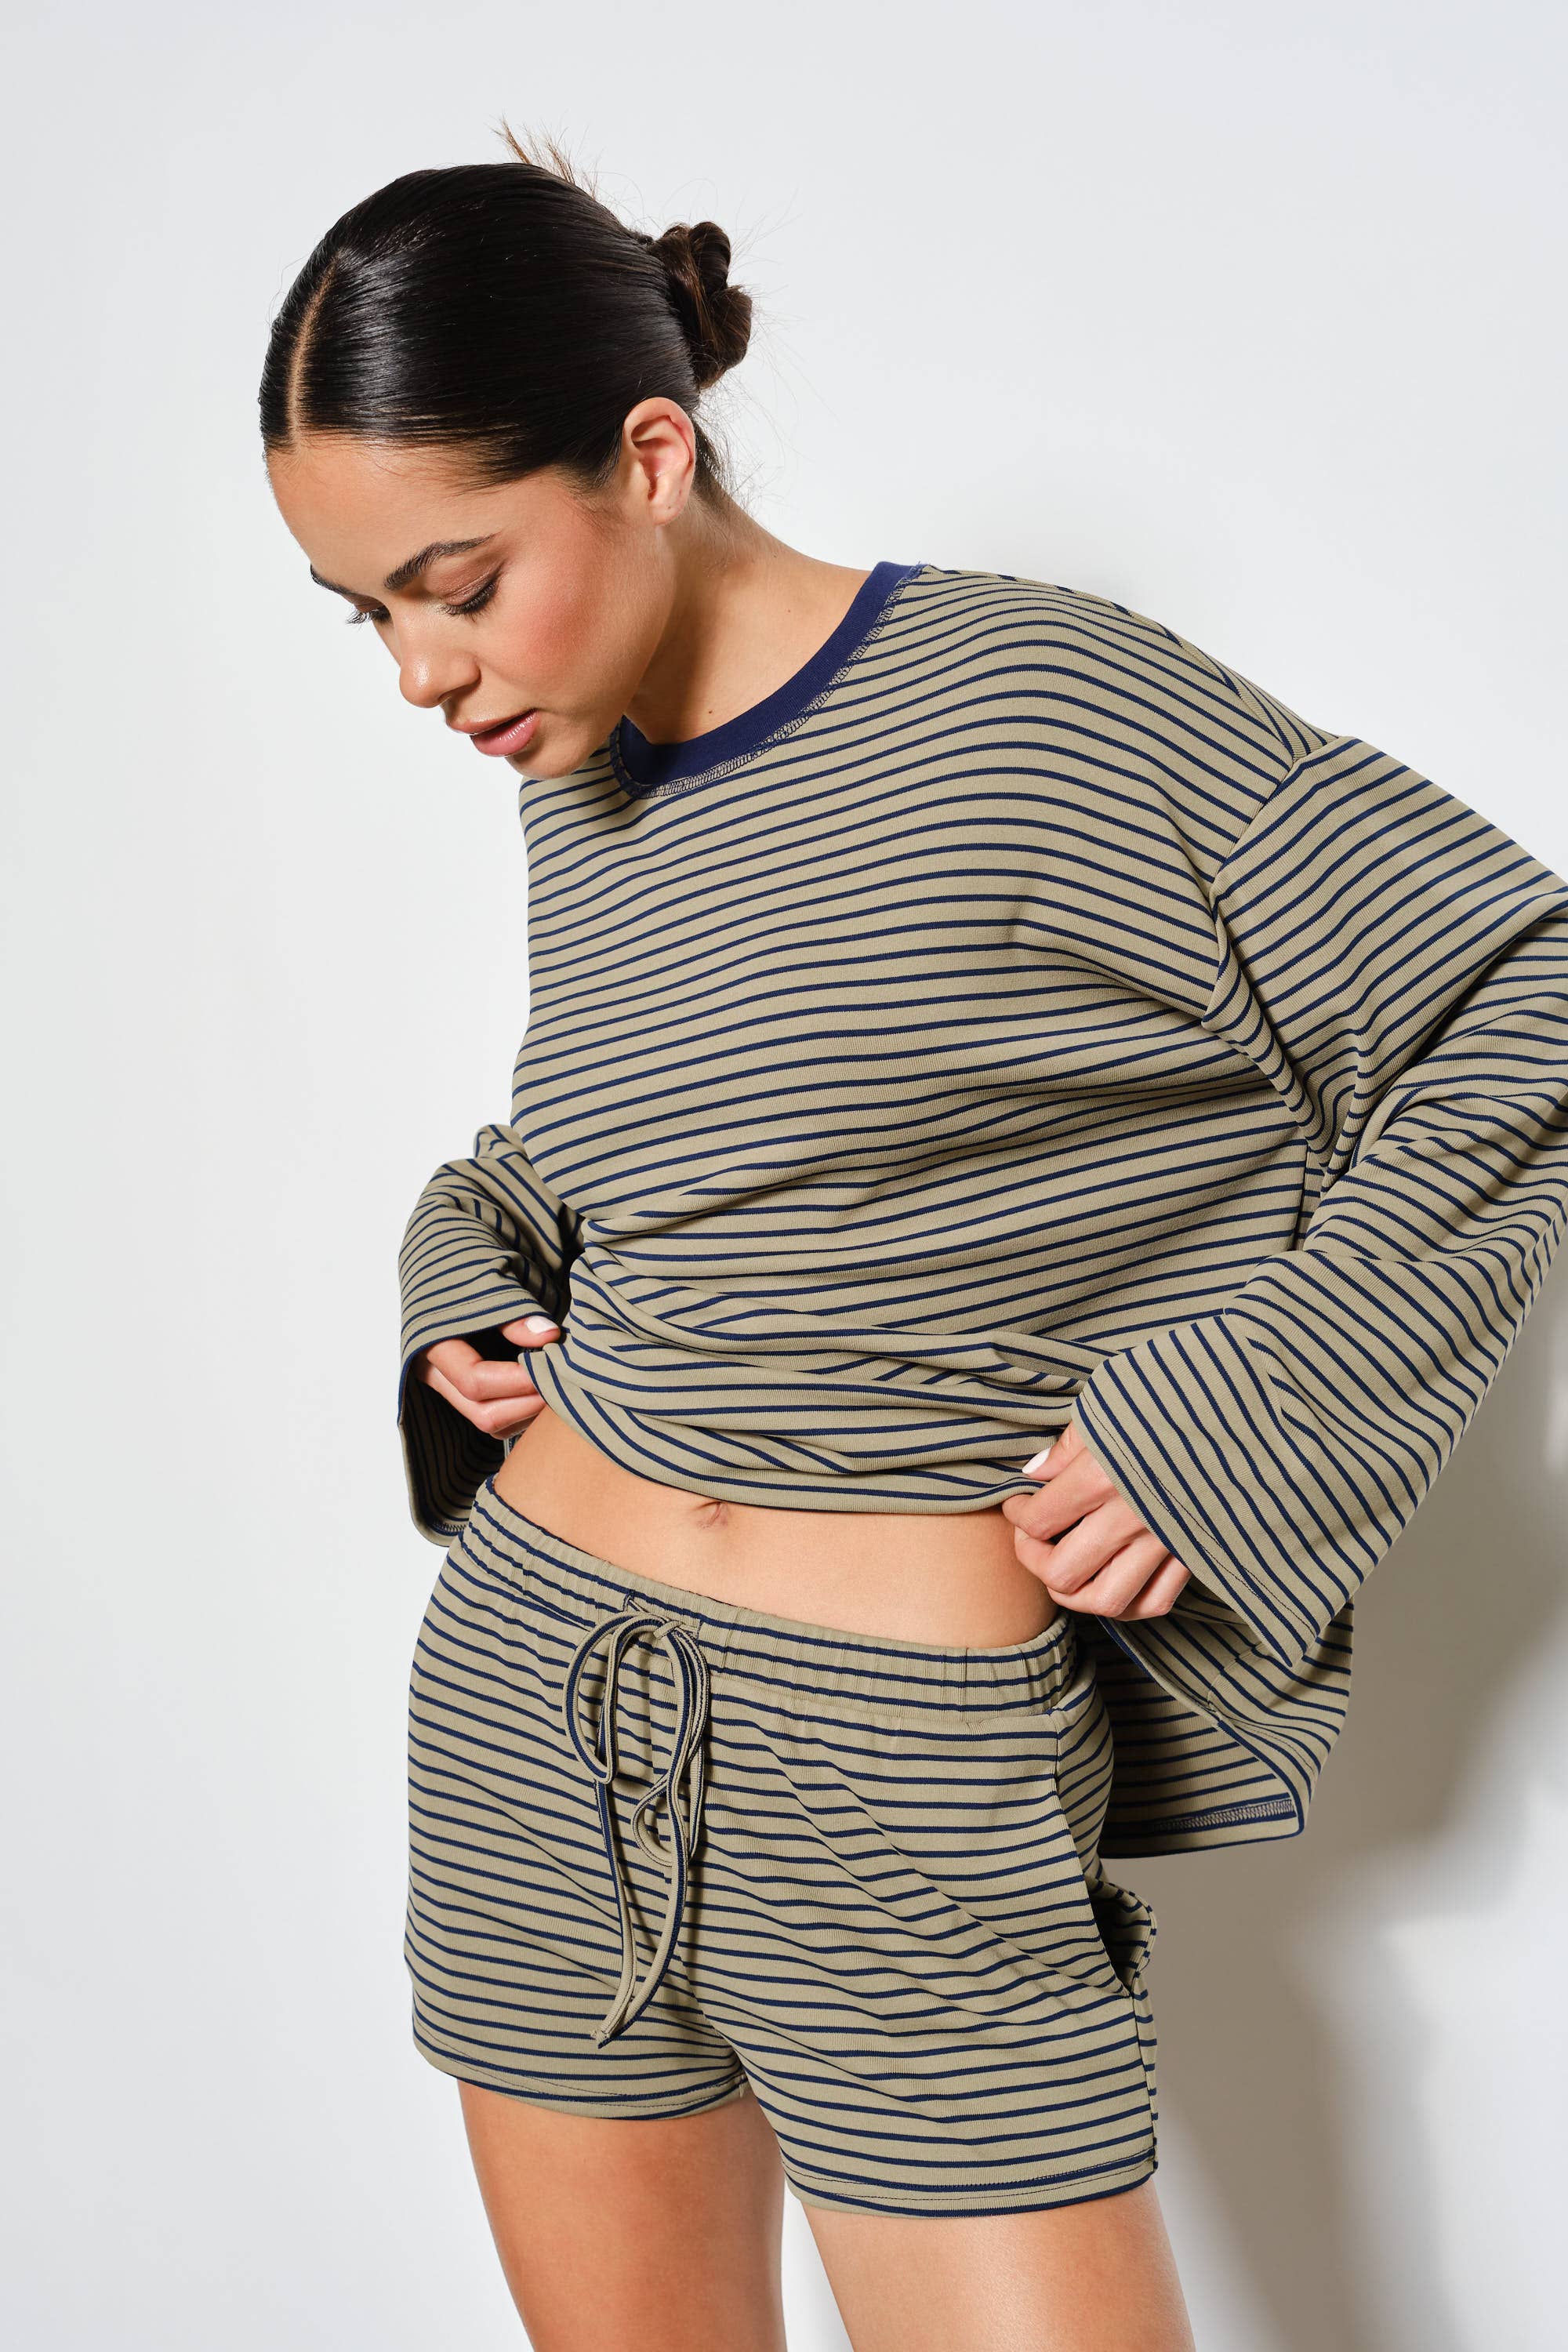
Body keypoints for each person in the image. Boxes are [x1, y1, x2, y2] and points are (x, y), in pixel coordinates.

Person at [259, 125, 1568, 2352]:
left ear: (649, 456)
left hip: (907, 1770)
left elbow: (1515, 991)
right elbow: (601, 1152)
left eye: (455, 582)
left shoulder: (1047, 707)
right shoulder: (580, 792)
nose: (414, 673)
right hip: (523, 1712)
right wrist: (456, 1277)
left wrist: (1240, 1416)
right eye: (366, 609)